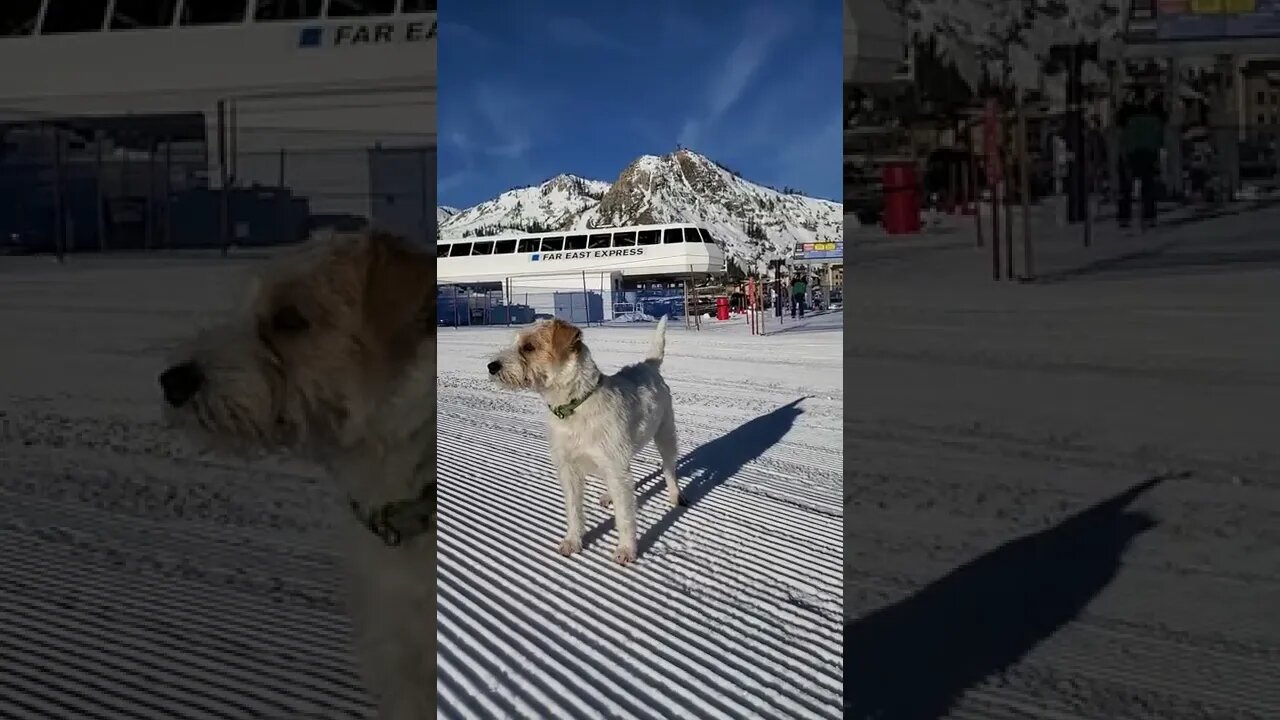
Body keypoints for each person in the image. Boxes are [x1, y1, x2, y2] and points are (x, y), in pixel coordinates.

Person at [1116, 90, 1167, 228]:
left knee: (1126, 187)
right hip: (1148, 152)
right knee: (1148, 185)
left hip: (1132, 151)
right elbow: (1160, 137)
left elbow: (1121, 131)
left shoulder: (1129, 117)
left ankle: (1124, 216)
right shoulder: (1154, 118)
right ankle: (1149, 215)